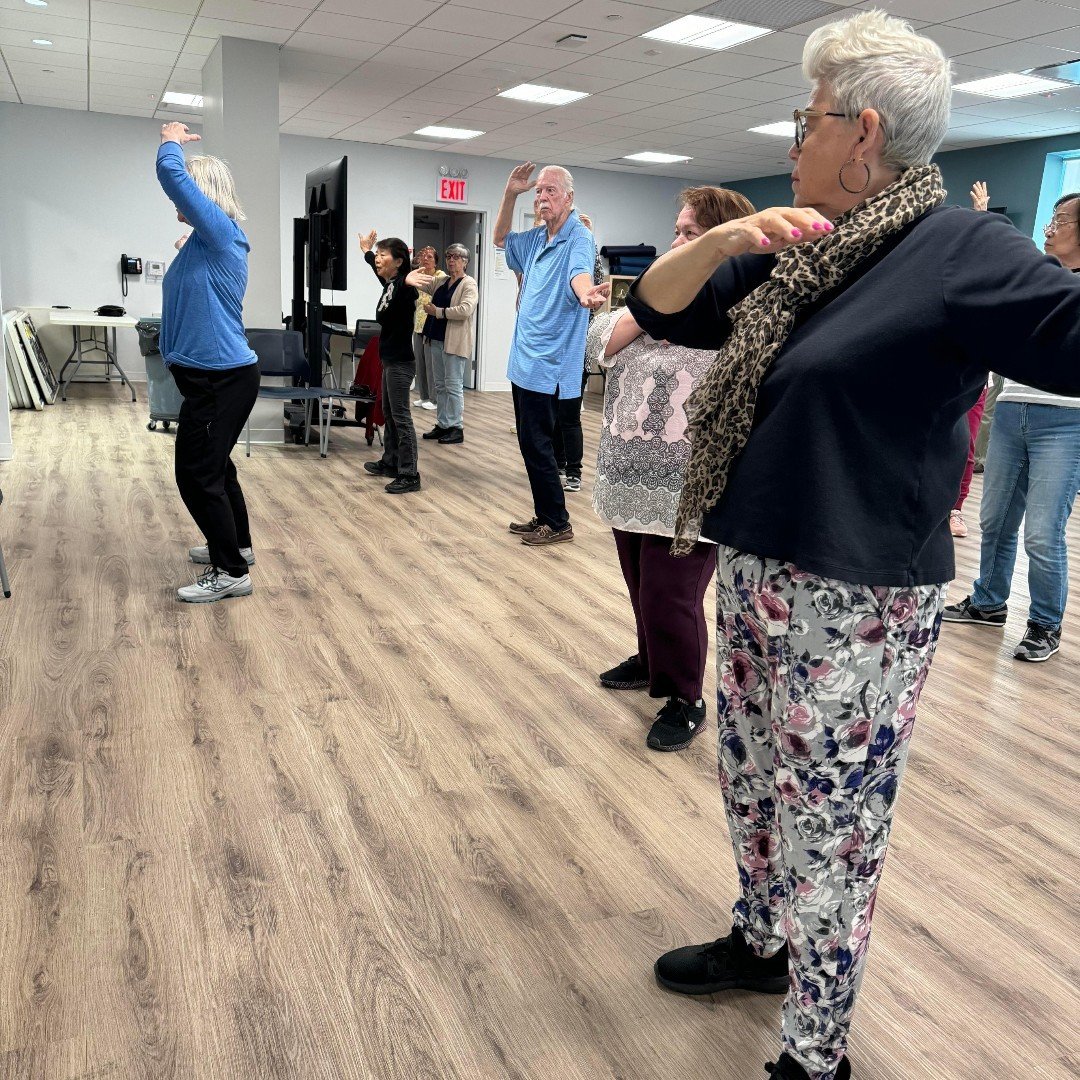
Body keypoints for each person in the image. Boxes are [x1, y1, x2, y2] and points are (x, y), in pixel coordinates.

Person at [616, 11, 1080, 1080]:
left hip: (862, 597)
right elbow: (662, 307)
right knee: (754, 781)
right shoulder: (800, 247)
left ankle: (816, 1055)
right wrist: (729, 236)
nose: (793, 142)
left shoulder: (964, 249)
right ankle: (760, 943)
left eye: (806, 119)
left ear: (862, 132)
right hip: (762, 563)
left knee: (832, 829)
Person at [587, 186, 755, 752]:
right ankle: (649, 658)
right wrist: (642, 315)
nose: (676, 243)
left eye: (690, 235)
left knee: (669, 596)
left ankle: (686, 696)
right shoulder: (653, 298)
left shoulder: (736, 311)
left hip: (689, 489)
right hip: (629, 476)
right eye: (677, 231)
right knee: (640, 585)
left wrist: (647, 321)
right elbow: (597, 345)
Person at [943, 188, 1080, 661]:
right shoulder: (1038, 280)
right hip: (1012, 409)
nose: (1049, 228)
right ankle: (988, 603)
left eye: (1060, 221)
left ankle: (1044, 623)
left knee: (1043, 530)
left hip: (1067, 420)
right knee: (995, 519)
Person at [156, 121, 259, 604]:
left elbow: (172, 177)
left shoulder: (219, 231)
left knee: (197, 474)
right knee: (218, 469)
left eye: (188, 194)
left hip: (219, 379)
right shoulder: (206, 241)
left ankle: (232, 571)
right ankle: (235, 545)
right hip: (213, 377)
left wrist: (170, 141)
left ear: (204, 193)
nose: (177, 203)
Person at [494, 163, 605, 547]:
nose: (542, 198)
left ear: (569, 198)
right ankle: (544, 514)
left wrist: (585, 293)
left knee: (539, 444)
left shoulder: (578, 238)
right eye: (539, 191)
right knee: (529, 443)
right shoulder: (538, 239)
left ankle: (557, 521)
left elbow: (579, 273)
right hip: (523, 361)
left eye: (550, 191)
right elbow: (500, 238)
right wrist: (511, 194)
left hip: (549, 363)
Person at [358, 229, 432, 494]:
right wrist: (367, 252)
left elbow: (404, 289)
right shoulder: (390, 284)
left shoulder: (403, 288)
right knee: (389, 414)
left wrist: (407, 280)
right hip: (390, 361)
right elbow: (382, 275)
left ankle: (410, 474)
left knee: (401, 417)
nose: (378, 259)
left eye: (382, 255)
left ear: (398, 261)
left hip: (401, 363)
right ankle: (390, 462)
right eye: (377, 255)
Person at [552, 210, 602, 493]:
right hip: (553, 349)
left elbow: (592, 287)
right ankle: (558, 463)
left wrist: (588, 237)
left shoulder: (587, 260)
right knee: (554, 413)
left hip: (576, 350)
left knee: (569, 414)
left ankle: (574, 471)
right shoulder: (555, 256)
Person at [418, 243, 477, 445]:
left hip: (454, 342)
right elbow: (420, 282)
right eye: (449, 257)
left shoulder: (469, 283)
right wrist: (420, 264)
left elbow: (465, 310)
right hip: (435, 338)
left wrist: (439, 312)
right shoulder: (442, 281)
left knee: (453, 386)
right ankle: (443, 424)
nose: (451, 260)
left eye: (456, 257)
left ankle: (456, 427)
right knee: (440, 385)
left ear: (465, 262)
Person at [411, 245, 444, 411]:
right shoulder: (419, 274)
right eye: (424, 256)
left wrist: (419, 270)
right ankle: (423, 396)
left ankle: (434, 399)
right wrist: (415, 263)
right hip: (418, 324)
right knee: (420, 363)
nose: (426, 259)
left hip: (431, 325)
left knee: (432, 365)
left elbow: (434, 286)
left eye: (430, 257)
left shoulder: (440, 276)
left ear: (436, 261)